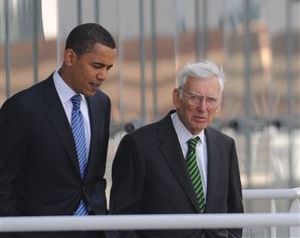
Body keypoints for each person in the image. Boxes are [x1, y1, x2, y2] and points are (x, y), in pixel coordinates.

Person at [0, 23, 117, 238]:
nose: (103, 76)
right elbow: (3, 181)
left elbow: (95, 177)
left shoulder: (101, 104)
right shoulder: (23, 108)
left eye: (108, 68)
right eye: (97, 65)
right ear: (70, 57)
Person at [110, 60, 244, 238]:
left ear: (219, 105)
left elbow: (235, 213)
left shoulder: (225, 146)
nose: (203, 108)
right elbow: (121, 219)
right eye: (195, 97)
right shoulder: (139, 145)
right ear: (177, 98)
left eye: (211, 100)